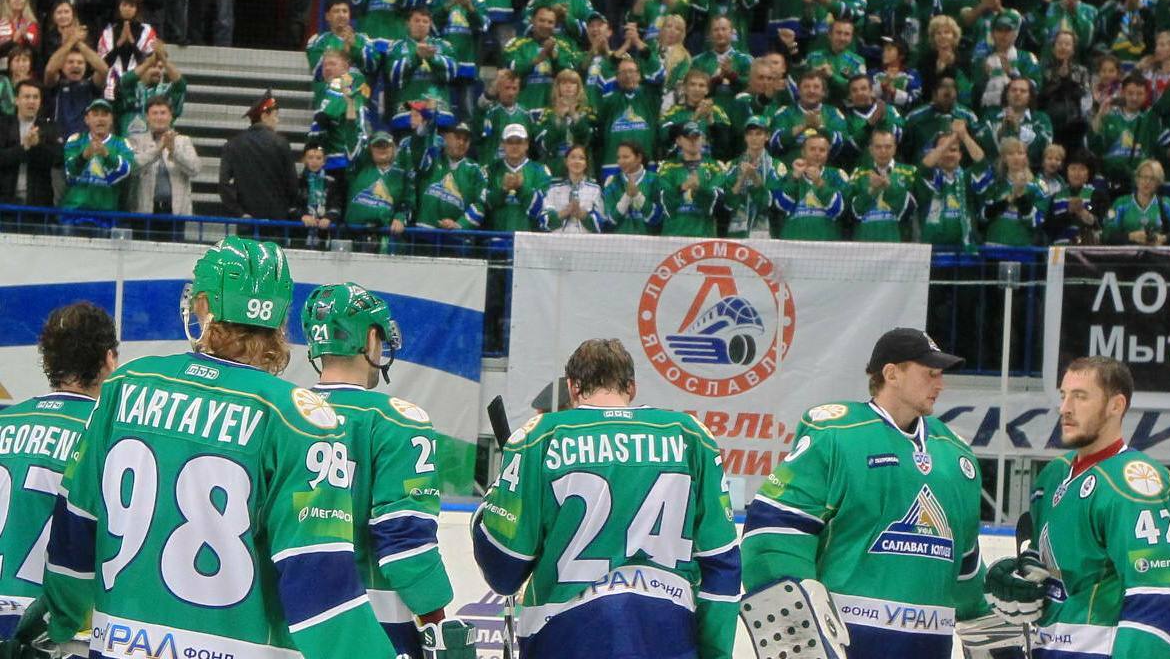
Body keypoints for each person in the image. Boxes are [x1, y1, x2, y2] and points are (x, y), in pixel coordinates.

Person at [26, 238, 401, 659]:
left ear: (203, 306)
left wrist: (57, 619)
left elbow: (76, 528)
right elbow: (319, 583)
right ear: (279, 320)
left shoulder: (124, 385)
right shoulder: (298, 417)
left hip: (118, 646)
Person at [471, 337, 740, 659]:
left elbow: (504, 570)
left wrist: (488, 509)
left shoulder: (540, 436)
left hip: (565, 638)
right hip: (668, 636)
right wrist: (714, 653)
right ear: (632, 387)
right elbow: (721, 561)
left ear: (572, 387)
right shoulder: (690, 435)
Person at [742, 327, 995, 658]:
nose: (940, 384)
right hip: (848, 641)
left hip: (930, 645)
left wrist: (991, 617)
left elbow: (965, 565)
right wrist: (800, 631)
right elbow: (774, 534)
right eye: (930, 373)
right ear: (891, 374)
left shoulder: (956, 455)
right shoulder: (838, 435)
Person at [984, 356, 1170, 658]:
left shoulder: (1133, 483)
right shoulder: (1053, 477)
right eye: (1063, 395)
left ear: (1116, 406)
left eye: (1080, 397)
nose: (1065, 408)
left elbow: (1158, 599)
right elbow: (1063, 570)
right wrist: (1023, 578)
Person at [303, 282, 455, 655]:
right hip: (373, 626)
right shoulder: (397, 421)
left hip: (292, 620)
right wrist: (438, 624)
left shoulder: (283, 413)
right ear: (371, 338)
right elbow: (405, 540)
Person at [0, 300, 118, 640]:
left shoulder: (6, 421)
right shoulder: (105, 434)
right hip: (54, 630)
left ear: (49, 361)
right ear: (109, 359)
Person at [218, 90, 297, 227]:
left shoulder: (233, 144)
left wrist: (239, 212)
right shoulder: (281, 143)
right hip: (277, 220)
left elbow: (224, 183)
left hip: (247, 221)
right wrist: (288, 207)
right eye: (275, 115)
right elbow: (292, 183)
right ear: (264, 115)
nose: (278, 120)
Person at [129, 94, 200, 229]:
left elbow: (195, 169)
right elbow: (133, 168)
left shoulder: (183, 141)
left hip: (175, 213)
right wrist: (158, 149)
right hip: (144, 212)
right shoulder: (135, 140)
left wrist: (174, 151)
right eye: (155, 113)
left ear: (170, 116)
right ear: (147, 117)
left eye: (163, 113)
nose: (159, 117)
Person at [59, 96, 133, 212]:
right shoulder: (75, 140)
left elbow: (125, 171)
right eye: (95, 114)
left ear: (111, 119)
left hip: (106, 213)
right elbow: (70, 172)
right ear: (87, 119)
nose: (100, 119)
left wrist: (107, 155)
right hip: (74, 211)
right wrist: (83, 156)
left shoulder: (122, 143)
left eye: (104, 114)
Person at [412, 120, 486, 231]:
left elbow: (480, 205)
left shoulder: (476, 170)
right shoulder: (433, 159)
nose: (461, 143)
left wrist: (459, 224)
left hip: (455, 236)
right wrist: (421, 131)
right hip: (424, 232)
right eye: (457, 137)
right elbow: (416, 152)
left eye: (466, 140)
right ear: (445, 138)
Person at [0, 78, 61, 210]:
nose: (31, 101)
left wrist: (37, 145)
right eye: (26, 97)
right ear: (16, 100)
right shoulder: (3, 125)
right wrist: (24, 147)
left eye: (35, 97)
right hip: (4, 203)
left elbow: (57, 160)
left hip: (38, 205)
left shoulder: (50, 128)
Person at [484, 122, 550, 232]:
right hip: (496, 237)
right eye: (510, 142)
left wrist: (521, 188)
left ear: (526, 144)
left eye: (519, 142)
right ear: (502, 144)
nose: (514, 146)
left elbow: (542, 210)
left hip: (529, 238)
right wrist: (503, 190)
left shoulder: (541, 171)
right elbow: (484, 206)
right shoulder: (490, 170)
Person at [1102, 158, 1170, 245]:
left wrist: (1164, 238)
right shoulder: (1121, 204)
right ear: (1137, 179)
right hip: (1126, 252)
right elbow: (1107, 234)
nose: (1147, 182)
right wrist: (1130, 236)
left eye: (1152, 179)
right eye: (1144, 177)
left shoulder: (1166, 204)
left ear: (1158, 183)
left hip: (1158, 252)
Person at [540, 143, 604, 232]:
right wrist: (566, 211)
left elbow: (600, 224)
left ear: (586, 164)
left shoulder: (595, 190)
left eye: (581, 158)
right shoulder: (553, 190)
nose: (577, 161)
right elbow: (544, 222)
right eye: (573, 157)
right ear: (566, 161)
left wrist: (581, 214)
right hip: (558, 239)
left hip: (586, 239)